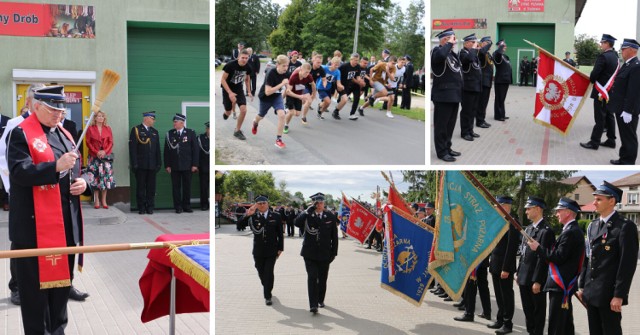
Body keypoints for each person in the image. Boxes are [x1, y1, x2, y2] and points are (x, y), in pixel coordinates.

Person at [8, 85, 92, 334]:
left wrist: (84, 183)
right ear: (36, 106)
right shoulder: (21, 133)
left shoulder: (65, 134)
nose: (58, 114)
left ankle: (58, 330)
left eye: (61, 109)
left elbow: (77, 169)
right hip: (34, 231)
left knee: (60, 292)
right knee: (35, 296)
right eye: (52, 109)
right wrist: (55, 167)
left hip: (64, 229)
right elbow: (19, 172)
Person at [578, 181, 639, 335]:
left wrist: (619, 295)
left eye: (599, 199)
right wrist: (582, 285)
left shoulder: (625, 227)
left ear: (612, 201)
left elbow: (627, 265)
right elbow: (588, 257)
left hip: (608, 295)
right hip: (591, 293)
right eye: (595, 198)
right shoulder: (592, 226)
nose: (594, 203)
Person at [527, 198, 585, 335]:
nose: (556, 214)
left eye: (559, 211)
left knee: (556, 324)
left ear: (568, 212)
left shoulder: (571, 232)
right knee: (565, 323)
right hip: (562, 284)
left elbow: (559, 257)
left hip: (560, 284)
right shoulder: (570, 230)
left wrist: (538, 248)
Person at [516, 196, 555, 335]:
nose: (526, 211)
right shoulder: (529, 228)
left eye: (529, 208)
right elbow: (524, 253)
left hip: (535, 279)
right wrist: (518, 272)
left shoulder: (546, 231)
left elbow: (544, 258)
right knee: (527, 310)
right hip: (524, 276)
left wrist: (538, 280)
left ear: (538, 209)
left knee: (537, 311)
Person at [294, 192, 338, 314]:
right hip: (309, 253)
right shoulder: (307, 214)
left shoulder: (330, 216)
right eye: (317, 203)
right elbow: (297, 223)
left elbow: (334, 236)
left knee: (322, 278)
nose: (319, 205)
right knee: (312, 277)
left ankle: (320, 299)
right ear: (312, 204)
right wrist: (307, 211)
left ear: (324, 203)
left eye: (321, 202)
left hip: (325, 253)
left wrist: (334, 252)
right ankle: (313, 305)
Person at [241, 195, 284, 306]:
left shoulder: (276, 216)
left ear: (267, 204)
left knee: (269, 272)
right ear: (256, 205)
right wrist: (247, 214)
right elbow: (239, 224)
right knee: (260, 271)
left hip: (272, 250)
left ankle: (267, 296)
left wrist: (280, 248)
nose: (262, 205)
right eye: (259, 204)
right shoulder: (253, 216)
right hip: (258, 250)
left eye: (264, 203)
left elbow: (280, 234)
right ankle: (267, 286)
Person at [580, 34, 619, 151]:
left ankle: (594, 142)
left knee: (600, 117)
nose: (601, 45)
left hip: (601, 92)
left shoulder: (603, 57)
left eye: (602, 43)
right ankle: (611, 140)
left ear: (607, 43)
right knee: (609, 116)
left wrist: (591, 79)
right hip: (610, 91)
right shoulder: (615, 57)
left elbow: (595, 73)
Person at [487, 196, 519, 333]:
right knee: (499, 295)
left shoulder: (512, 222)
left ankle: (507, 323)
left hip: (504, 267)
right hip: (495, 264)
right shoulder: (499, 221)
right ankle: (500, 319)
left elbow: (511, 248)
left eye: (497, 206)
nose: (495, 208)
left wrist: (506, 268)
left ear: (505, 206)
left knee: (506, 295)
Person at [431, 28, 462, 162]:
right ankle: (441, 152)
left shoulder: (451, 54)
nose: (454, 42)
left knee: (450, 125)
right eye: (452, 39)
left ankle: (447, 147)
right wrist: (448, 44)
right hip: (443, 95)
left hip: (454, 94)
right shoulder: (436, 51)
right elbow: (441, 56)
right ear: (445, 39)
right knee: (441, 126)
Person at [608, 39, 640, 165]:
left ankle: (628, 161)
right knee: (624, 135)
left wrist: (628, 111)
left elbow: (634, 92)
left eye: (624, 49)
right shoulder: (627, 64)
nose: (621, 51)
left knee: (629, 137)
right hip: (621, 107)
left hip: (628, 110)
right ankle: (623, 157)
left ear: (632, 50)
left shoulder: (636, 66)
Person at [253, 55, 290, 149]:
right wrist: (282, 84)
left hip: (277, 96)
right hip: (266, 97)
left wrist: (289, 88)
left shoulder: (286, 73)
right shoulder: (271, 73)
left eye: (287, 66)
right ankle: (255, 123)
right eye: (284, 66)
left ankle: (279, 139)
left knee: (282, 115)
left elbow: (288, 87)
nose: (286, 68)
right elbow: (268, 92)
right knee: (261, 115)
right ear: (277, 64)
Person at [164, 113, 198, 213]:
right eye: (174, 122)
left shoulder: (190, 133)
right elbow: (167, 151)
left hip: (188, 165)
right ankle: (178, 207)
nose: (174, 124)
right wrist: (167, 165)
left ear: (182, 123)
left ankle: (186, 206)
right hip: (174, 166)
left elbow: (195, 150)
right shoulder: (170, 133)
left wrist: (195, 164)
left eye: (175, 122)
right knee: (176, 187)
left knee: (187, 187)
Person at [129, 111, 161, 215]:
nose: (153, 121)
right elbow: (133, 148)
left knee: (151, 188)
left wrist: (159, 163)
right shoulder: (136, 130)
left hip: (152, 165)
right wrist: (135, 164)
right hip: (141, 165)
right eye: (152, 118)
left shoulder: (154, 131)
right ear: (146, 118)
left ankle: (150, 207)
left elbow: (157, 149)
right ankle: (141, 207)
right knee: (141, 187)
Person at [220, 49, 253, 140]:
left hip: (238, 89)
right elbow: (222, 80)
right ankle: (226, 113)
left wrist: (249, 91)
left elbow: (247, 79)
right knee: (229, 111)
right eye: (242, 57)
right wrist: (230, 93)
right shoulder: (230, 65)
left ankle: (237, 130)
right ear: (238, 57)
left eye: (246, 58)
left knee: (243, 110)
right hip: (227, 89)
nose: (244, 60)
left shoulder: (248, 67)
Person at [85, 110, 115, 209]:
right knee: (95, 178)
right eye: (98, 116)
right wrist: (96, 151)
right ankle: (96, 200)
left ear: (104, 118)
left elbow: (111, 142)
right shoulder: (90, 129)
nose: (100, 118)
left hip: (105, 158)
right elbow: (88, 142)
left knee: (105, 178)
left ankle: (104, 200)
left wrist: (104, 152)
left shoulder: (108, 128)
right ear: (95, 118)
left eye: (102, 116)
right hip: (94, 157)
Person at [459, 33, 484, 141]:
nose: (475, 44)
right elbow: (468, 59)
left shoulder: (473, 53)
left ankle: (470, 130)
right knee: (467, 111)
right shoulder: (463, 53)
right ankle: (465, 132)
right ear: (466, 43)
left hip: (475, 86)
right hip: (468, 87)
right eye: (473, 42)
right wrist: (474, 49)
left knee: (473, 110)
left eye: (475, 42)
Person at [284, 63, 315, 133]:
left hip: (299, 94)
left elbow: (313, 84)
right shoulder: (294, 77)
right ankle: (286, 125)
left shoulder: (308, 76)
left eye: (308, 72)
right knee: (291, 113)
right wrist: (300, 96)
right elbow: (288, 92)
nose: (307, 74)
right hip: (291, 95)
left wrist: (314, 94)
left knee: (297, 114)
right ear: (301, 70)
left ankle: (286, 110)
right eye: (306, 72)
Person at [336, 53, 365, 120]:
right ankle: (337, 107)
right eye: (355, 60)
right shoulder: (344, 66)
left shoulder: (357, 66)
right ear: (351, 59)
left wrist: (361, 81)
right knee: (343, 99)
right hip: (344, 84)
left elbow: (358, 76)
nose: (356, 62)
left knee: (357, 99)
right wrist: (338, 83)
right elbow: (337, 73)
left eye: (357, 60)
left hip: (352, 84)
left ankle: (352, 114)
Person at [476, 36, 493, 129]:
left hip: (488, 82)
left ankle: (482, 119)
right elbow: (482, 51)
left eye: (490, 43)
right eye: (487, 42)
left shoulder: (488, 54)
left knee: (484, 102)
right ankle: (479, 120)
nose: (489, 44)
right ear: (482, 43)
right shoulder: (481, 52)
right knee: (481, 102)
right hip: (483, 82)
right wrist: (486, 45)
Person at [493, 39, 512, 121]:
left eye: (505, 45)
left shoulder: (505, 56)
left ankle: (502, 114)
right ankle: (498, 115)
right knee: (499, 98)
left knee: (502, 98)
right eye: (503, 45)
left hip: (505, 80)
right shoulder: (496, 54)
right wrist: (500, 47)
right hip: (500, 80)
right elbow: (497, 55)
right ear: (499, 46)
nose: (505, 46)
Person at [198, 121, 210, 210]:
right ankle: (204, 204)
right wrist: (197, 165)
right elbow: (196, 153)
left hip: (216, 170)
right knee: (204, 187)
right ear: (206, 129)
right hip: (204, 167)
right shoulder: (200, 138)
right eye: (209, 128)